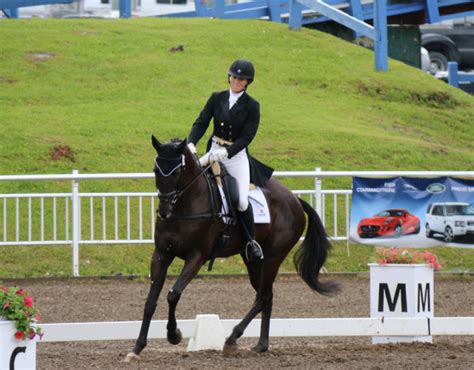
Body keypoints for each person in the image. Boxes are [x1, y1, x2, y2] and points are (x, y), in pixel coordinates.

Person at [187, 59, 272, 262]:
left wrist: (229, 151)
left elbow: (248, 135)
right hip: (214, 149)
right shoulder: (217, 98)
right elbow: (202, 121)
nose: (235, 80)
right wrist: (191, 142)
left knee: (241, 200)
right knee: (190, 182)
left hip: (235, 156)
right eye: (233, 76)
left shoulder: (252, 105)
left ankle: (251, 242)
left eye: (240, 78)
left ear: (247, 82)